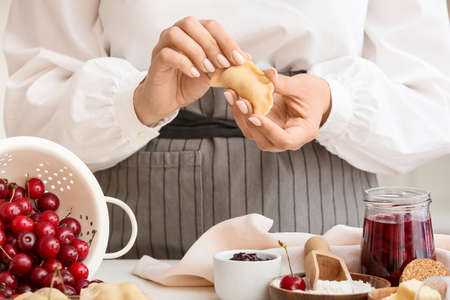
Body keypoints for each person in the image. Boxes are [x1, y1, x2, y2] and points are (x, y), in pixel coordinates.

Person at [4, 1, 450, 259]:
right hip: (129, 237)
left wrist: (336, 103)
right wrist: (135, 102)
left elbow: (434, 96)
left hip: (324, 233)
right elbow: (25, 95)